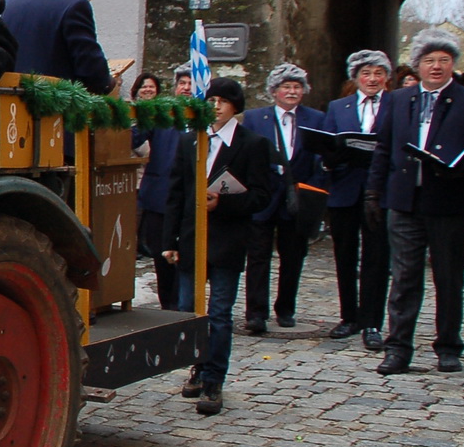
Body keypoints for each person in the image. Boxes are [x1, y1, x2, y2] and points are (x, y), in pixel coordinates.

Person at [367, 32, 464, 375]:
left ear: (452, 65)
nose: (435, 67)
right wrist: (374, 193)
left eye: (443, 60)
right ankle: (398, 348)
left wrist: (459, 166)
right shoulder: (398, 100)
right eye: (428, 61)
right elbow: (382, 148)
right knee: (405, 277)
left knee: (449, 278)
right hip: (405, 201)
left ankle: (448, 346)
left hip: (449, 202)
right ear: (417, 66)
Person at [161, 79, 273, 415]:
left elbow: (260, 196)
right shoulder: (189, 141)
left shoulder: (253, 144)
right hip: (192, 239)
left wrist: (222, 204)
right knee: (188, 309)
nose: (216, 106)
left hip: (227, 240)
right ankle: (198, 364)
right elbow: (176, 194)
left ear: (235, 107)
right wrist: (169, 241)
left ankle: (214, 379)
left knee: (220, 313)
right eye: (211, 99)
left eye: (223, 101)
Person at [241, 64, 327, 333]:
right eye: (286, 87)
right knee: (257, 255)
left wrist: (314, 191)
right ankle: (256, 312)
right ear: (274, 91)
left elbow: (321, 157)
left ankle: (286, 308)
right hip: (265, 194)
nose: (292, 91)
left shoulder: (316, 118)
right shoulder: (256, 118)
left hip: (297, 195)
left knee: (294, 255)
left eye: (297, 87)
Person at [320, 50, 392, 349]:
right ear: (356, 78)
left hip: (380, 190)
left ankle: (372, 321)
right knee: (344, 255)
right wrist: (331, 157)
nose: (372, 79)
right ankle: (349, 316)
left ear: (386, 77)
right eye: (366, 73)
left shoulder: (396, 103)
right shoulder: (339, 107)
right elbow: (326, 142)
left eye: (378, 73)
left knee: (377, 258)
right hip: (345, 188)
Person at [0, 0, 114, 94]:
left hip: (9, 100)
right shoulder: (75, 5)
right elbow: (90, 68)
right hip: (54, 105)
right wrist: (109, 82)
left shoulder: (9, 2)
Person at [130, 76, 183, 310]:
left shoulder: (206, 116)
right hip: (159, 197)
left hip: (191, 199)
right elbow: (133, 138)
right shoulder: (162, 114)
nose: (187, 88)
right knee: (161, 254)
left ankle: (185, 303)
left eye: (192, 83)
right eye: (182, 83)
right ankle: (168, 305)